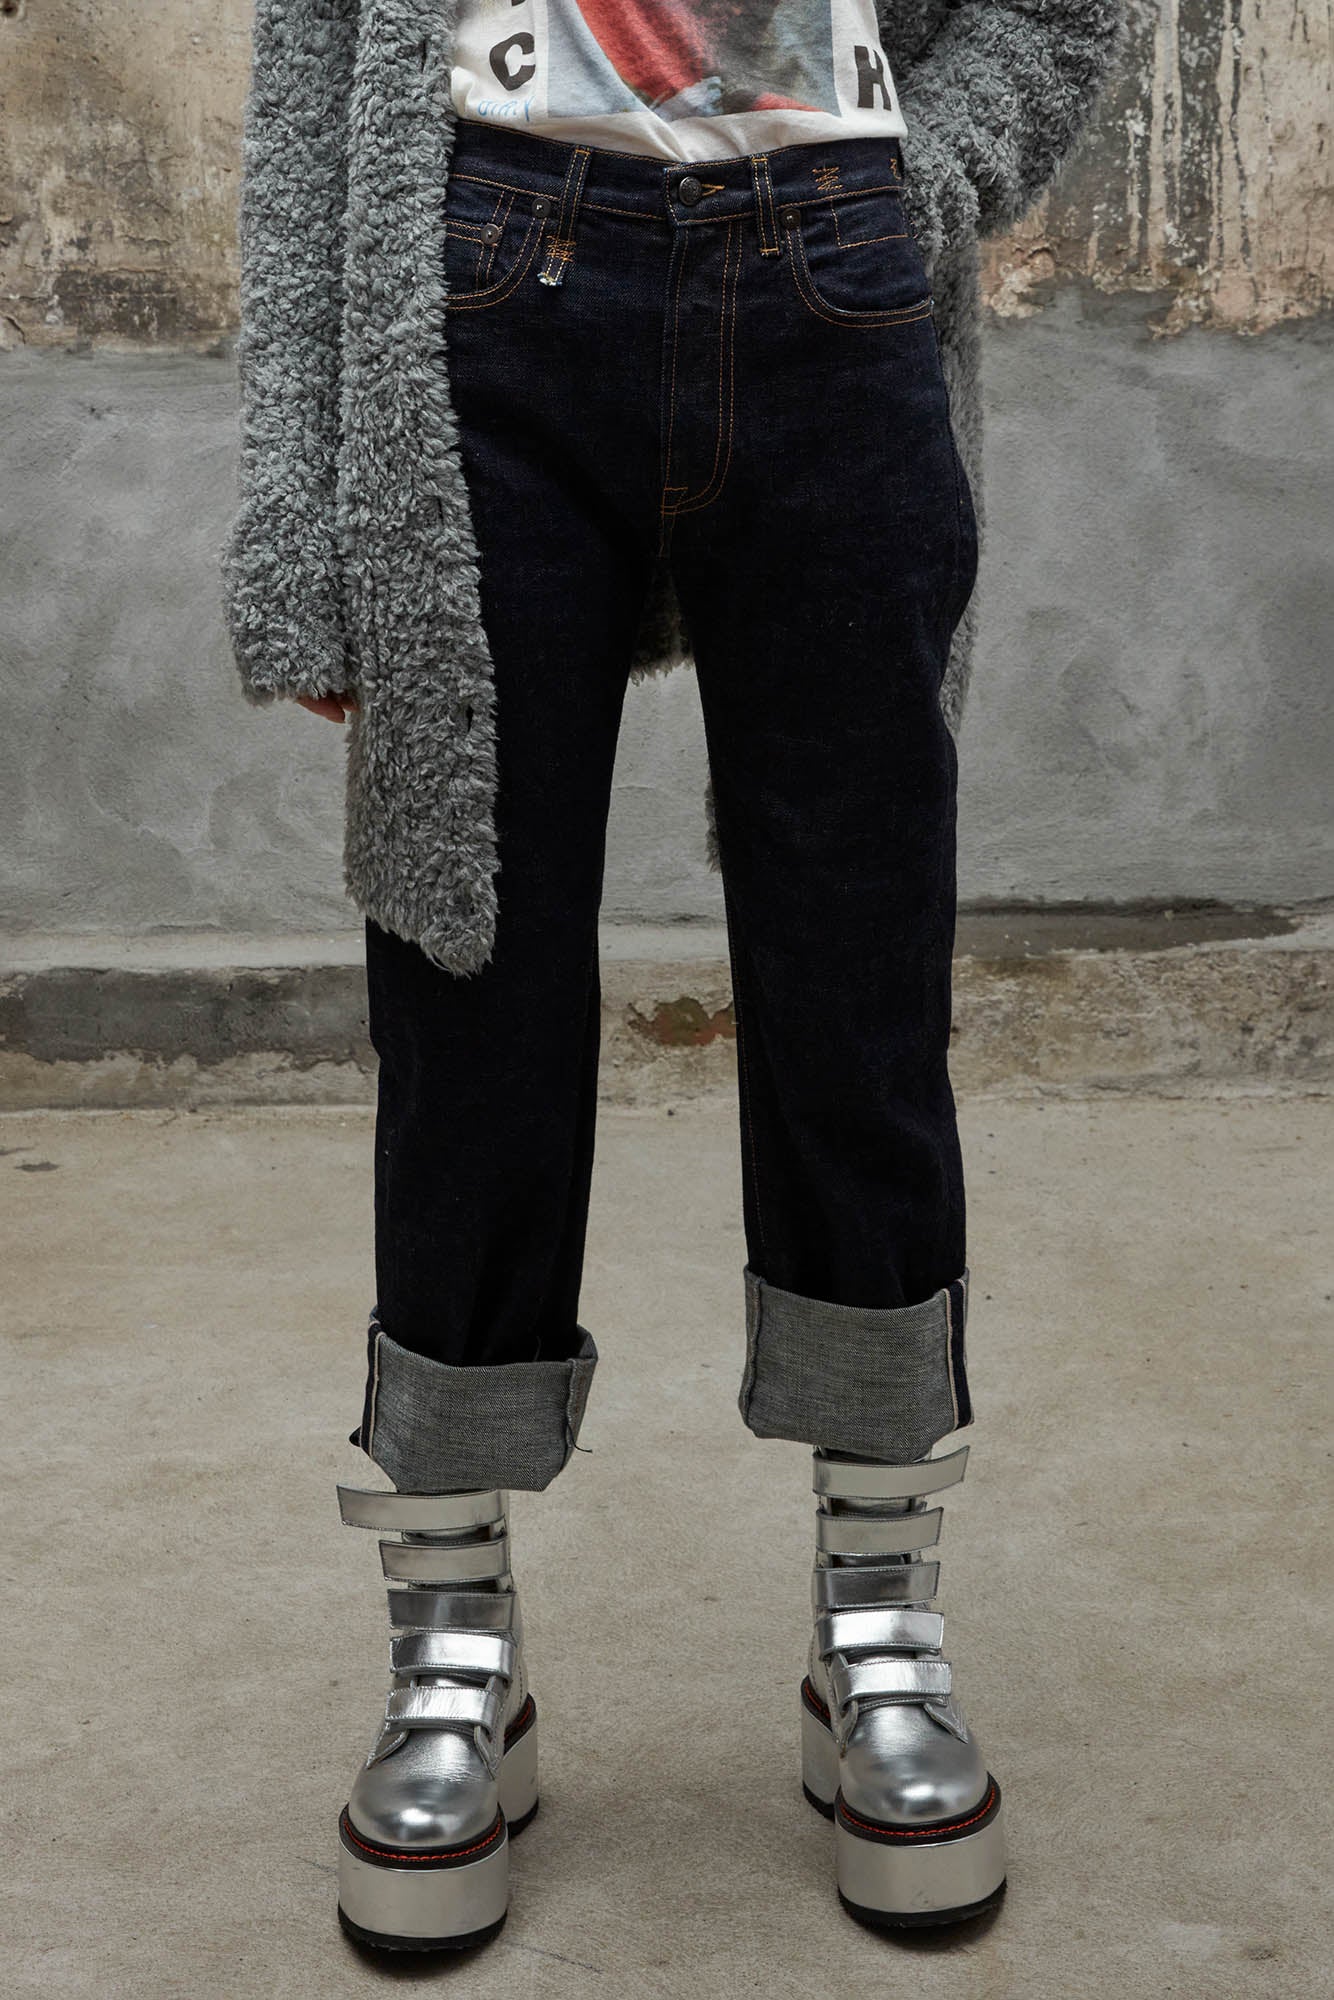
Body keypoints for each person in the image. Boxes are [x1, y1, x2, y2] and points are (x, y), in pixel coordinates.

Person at [223, 0, 1123, 1954]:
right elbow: (310, 62)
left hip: (833, 277)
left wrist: (924, 174)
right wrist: (297, 512)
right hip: (480, 280)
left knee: (856, 990)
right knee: (465, 988)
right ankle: (453, 1644)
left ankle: (876, 1623)